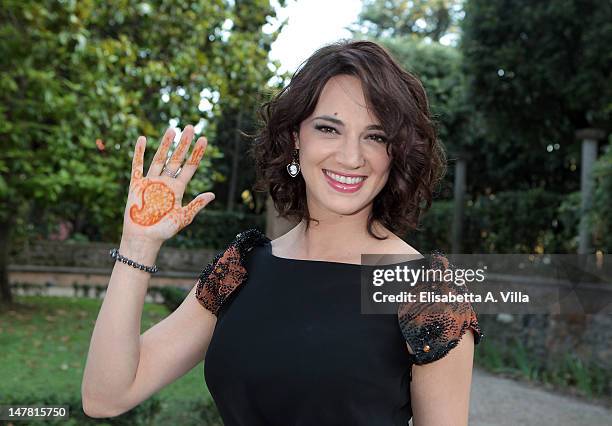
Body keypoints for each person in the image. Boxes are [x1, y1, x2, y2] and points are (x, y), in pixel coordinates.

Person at [81, 39, 483, 425]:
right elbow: (106, 396)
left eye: (375, 136)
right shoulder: (242, 268)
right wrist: (138, 243)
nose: (350, 156)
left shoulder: (428, 293)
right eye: (329, 128)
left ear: (395, 153)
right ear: (295, 139)